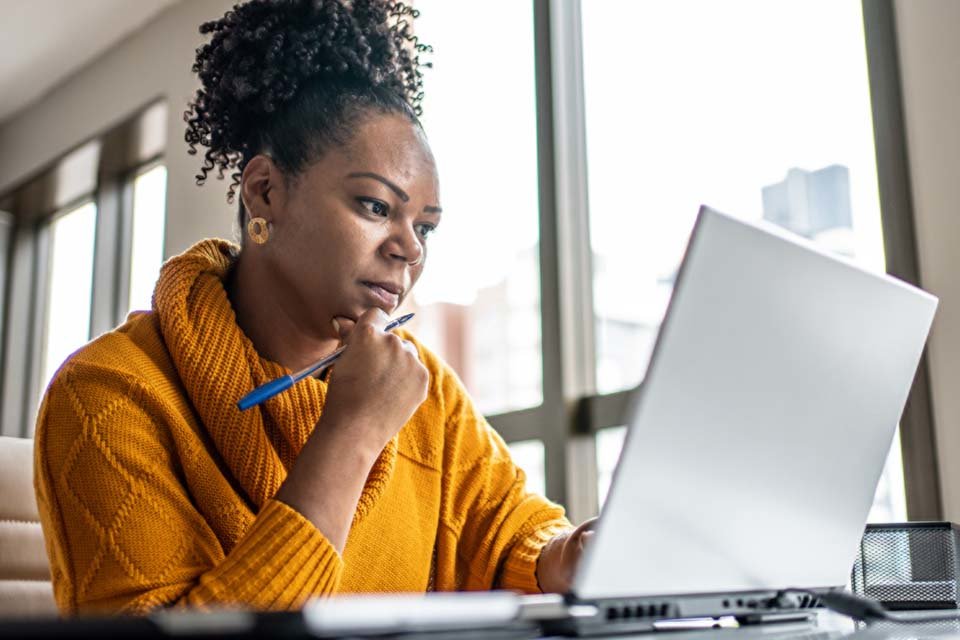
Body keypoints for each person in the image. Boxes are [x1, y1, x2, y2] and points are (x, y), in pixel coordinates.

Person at [34, 0, 593, 615]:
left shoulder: (425, 391)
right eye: (376, 207)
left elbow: (507, 529)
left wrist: (562, 555)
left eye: (426, 227)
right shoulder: (107, 394)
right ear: (265, 192)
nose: (408, 248)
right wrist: (351, 434)